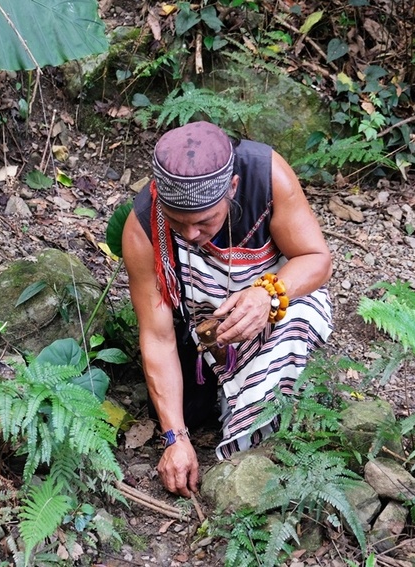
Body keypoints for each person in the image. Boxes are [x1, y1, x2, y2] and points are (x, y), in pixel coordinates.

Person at [122, 121, 333, 497]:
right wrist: (175, 436)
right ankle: (233, 401)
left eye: (204, 221)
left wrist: (268, 292)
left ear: (232, 188)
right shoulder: (143, 225)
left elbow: (316, 258)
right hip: (207, 335)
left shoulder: (266, 177)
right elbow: (156, 336)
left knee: (297, 324)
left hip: (278, 310)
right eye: (178, 223)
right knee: (187, 410)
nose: (190, 236)